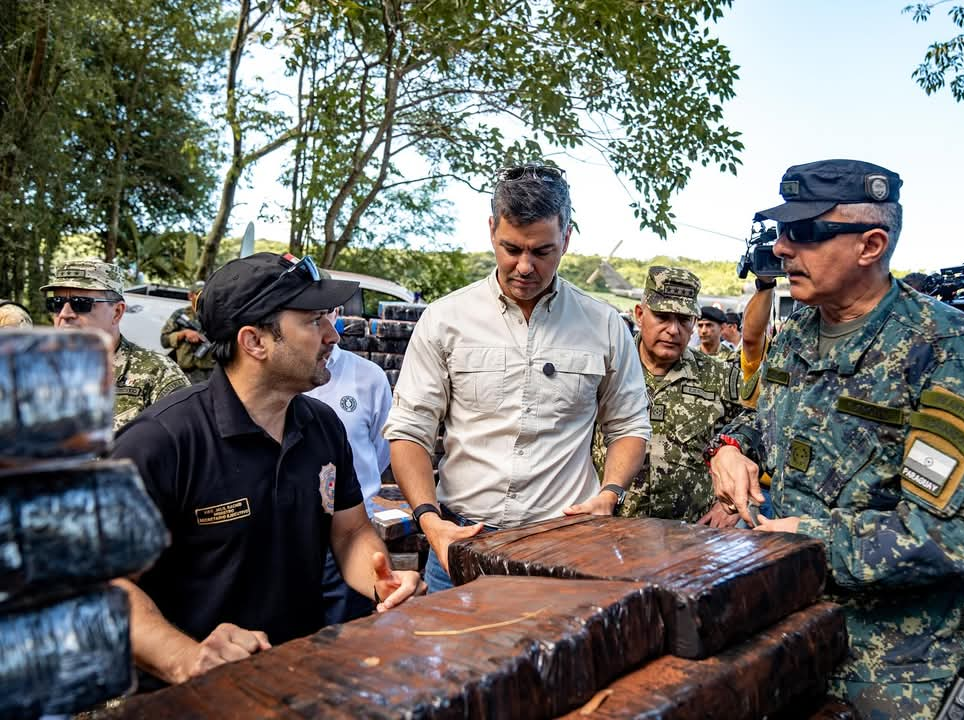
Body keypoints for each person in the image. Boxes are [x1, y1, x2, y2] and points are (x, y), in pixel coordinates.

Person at [706, 159, 964, 719]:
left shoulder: (951, 354)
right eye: (781, 232)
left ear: (870, 244)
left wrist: (815, 541)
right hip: (797, 634)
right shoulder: (795, 336)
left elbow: (962, 529)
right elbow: (760, 422)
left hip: (899, 670)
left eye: (803, 233)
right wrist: (731, 451)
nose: (781, 249)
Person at [109, 252, 424, 687]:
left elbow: (349, 531)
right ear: (255, 341)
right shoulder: (161, 443)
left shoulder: (322, 426)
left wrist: (380, 580)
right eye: (314, 321)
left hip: (299, 676)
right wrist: (187, 658)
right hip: (190, 699)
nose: (333, 335)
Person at [384, 163, 651, 592]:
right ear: (492, 230)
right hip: (463, 542)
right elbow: (410, 430)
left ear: (566, 238)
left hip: (563, 547)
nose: (524, 266)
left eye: (542, 251)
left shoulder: (603, 325)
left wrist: (610, 494)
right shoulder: (445, 319)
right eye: (511, 248)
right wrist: (431, 523)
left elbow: (629, 424)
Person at [593, 266, 742, 527]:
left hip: (692, 537)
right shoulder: (605, 368)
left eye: (684, 320)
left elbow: (765, 428)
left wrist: (732, 504)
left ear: (693, 323)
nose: (673, 330)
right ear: (640, 314)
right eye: (662, 317)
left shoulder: (719, 376)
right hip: (611, 532)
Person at [305, 303, 393, 624]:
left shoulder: (368, 377)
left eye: (326, 312)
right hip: (292, 541)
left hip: (354, 532)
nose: (327, 332)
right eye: (312, 317)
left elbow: (380, 451)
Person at [41, 258, 188, 430]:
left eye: (80, 304)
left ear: (117, 312)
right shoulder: (34, 369)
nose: (64, 314)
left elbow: (187, 446)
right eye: (56, 304)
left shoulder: (158, 374)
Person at [160, 280, 216, 384]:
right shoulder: (180, 315)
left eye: (206, 294)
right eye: (198, 294)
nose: (203, 298)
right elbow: (164, 341)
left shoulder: (216, 315)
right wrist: (183, 334)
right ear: (190, 296)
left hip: (211, 373)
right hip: (186, 374)